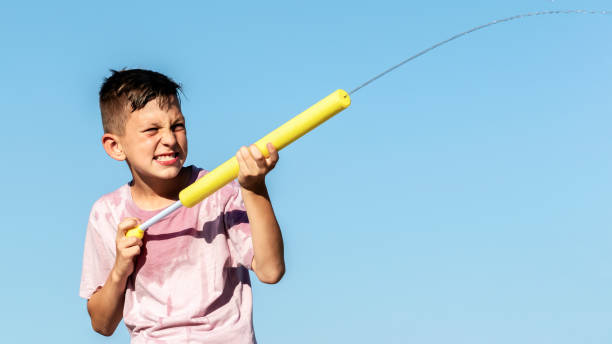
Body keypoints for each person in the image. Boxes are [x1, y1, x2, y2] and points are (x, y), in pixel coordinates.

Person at [79, 69, 285, 343]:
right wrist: (119, 269)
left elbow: (271, 270)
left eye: (177, 126)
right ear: (116, 146)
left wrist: (254, 187)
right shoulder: (107, 213)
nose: (170, 139)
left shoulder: (219, 191)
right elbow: (102, 324)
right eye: (152, 130)